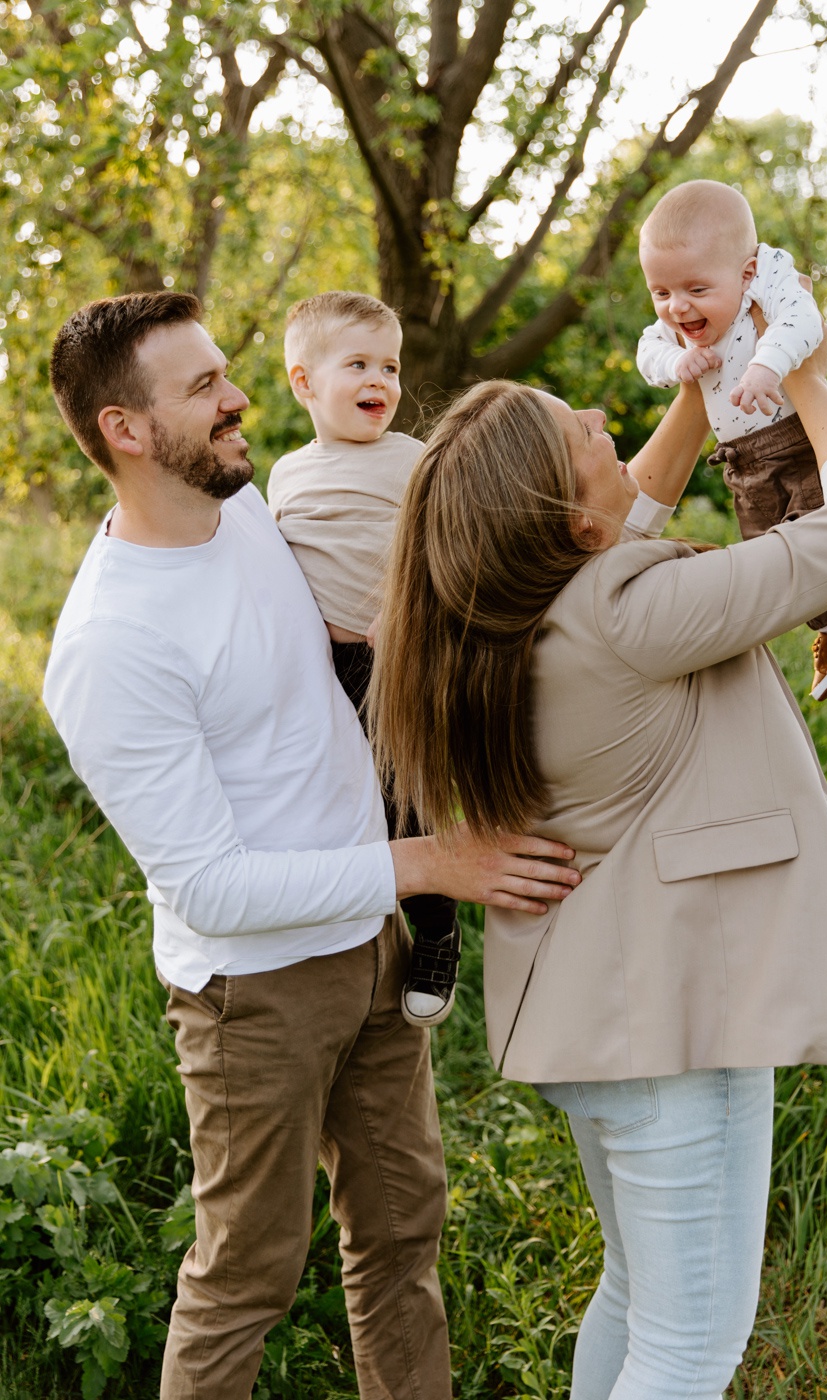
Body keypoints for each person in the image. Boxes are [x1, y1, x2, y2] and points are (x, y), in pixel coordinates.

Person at [41, 291, 581, 1400]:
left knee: (401, 1240)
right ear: (125, 431)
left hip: (373, 945)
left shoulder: (243, 508)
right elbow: (211, 885)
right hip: (254, 997)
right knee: (246, 1276)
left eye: (226, 371)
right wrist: (432, 865)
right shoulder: (110, 644)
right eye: (203, 388)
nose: (239, 397)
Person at [368, 331, 827, 1397]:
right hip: (676, 1021)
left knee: (635, 1297)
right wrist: (799, 363)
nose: (603, 421)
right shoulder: (630, 611)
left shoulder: (497, 617)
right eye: (579, 429)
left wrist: (711, 389)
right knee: (690, 1344)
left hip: (600, 1011)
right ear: (568, 519)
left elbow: (623, 513)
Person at [268, 290, 461, 1028]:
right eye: (358, 364)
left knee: (402, 805)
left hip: (396, 661)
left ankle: (437, 935)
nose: (381, 380)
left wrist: (411, 606)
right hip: (317, 672)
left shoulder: (413, 460)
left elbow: (447, 547)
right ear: (304, 382)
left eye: (390, 365)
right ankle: (339, 944)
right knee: (329, 806)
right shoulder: (284, 475)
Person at [637, 179, 827, 702]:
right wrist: (676, 363)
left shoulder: (769, 279)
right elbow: (648, 349)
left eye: (695, 290)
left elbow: (805, 322)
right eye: (661, 293)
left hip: (799, 440)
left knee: (819, 541)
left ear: (745, 272)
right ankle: (825, 628)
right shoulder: (680, 326)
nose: (677, 309)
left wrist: (766, 367)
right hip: (742, 459)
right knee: (772, 552)